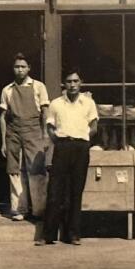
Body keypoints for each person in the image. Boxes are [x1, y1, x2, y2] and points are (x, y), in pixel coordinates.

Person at [40, 69, 97, 246]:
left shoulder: (88, 103)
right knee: (55, 191)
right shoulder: (56, 103)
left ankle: (73, 234)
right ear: (64, 84)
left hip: (80, 148)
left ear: (81, 83)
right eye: (69, 81)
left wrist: (85, 138)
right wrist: (56, 138)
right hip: (62, 147)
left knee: (75, 191)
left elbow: (94, 124)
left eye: (75, 81)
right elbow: (49, 125)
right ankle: (48, 235)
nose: (72, 85)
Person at [0, 53, 50, 222]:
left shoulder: (38, 87)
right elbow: (3, 116)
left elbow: (45, 113)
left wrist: (45, 136)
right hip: (13, 132)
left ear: (29, 68)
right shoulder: (7, 90)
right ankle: (19, 209)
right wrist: (3, 141)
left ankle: (39, 209)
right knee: (14, 171)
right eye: (16, 67)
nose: (19, 70)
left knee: (36, 170)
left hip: (33, 131)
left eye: (23, 66)